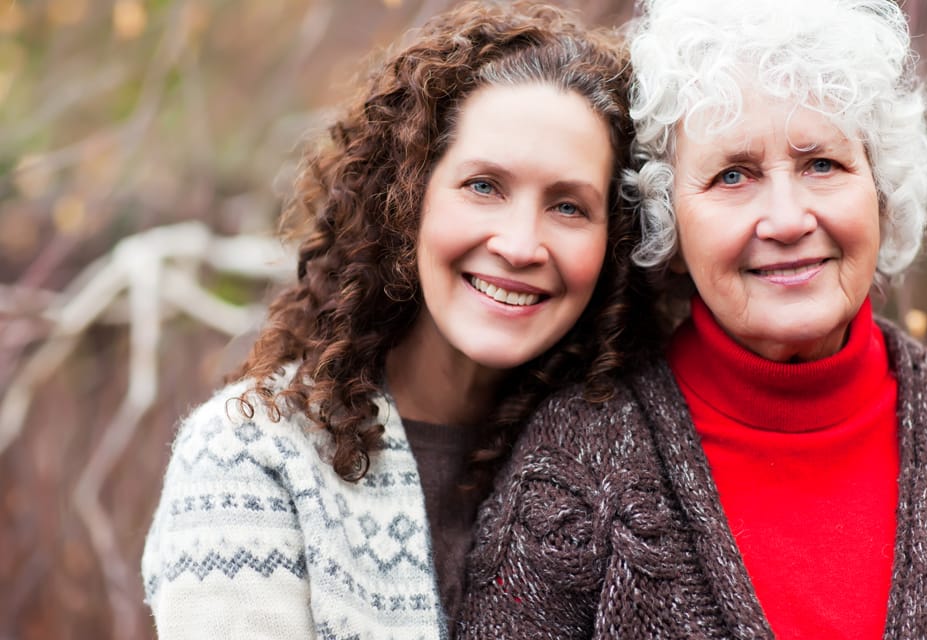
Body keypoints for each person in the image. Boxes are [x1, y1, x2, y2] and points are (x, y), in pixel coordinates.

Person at [458, 0, 927, 638]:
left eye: (822, 164)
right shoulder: (574, 469)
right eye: (733, 175)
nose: (786, 220)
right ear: (666, 223)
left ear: (882, 193)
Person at [140, 2, 654, 638]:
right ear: (407, 199)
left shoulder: (626, 464)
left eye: (569, 206)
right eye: (484, 186)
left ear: (617, 242)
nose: (522, 245)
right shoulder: (253, 458)